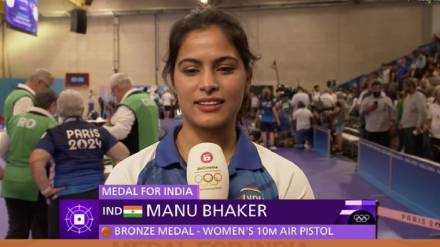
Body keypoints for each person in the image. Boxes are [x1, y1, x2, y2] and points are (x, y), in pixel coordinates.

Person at [106, 7, 314, 200]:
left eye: (224, 68)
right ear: (172, 81)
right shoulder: (128, 178)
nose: (208, 84)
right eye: (191, 70)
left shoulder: (287, 181)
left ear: (248, 78)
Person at [29, 89, 130, 238]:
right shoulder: (98, 131)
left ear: (59, 110)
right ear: (82, 109)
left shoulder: (54, 133)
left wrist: (46, 190)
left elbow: (35, 160)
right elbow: (124, 154)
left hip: (65, 196)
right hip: (96, 195)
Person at [0, 89, 58, 239]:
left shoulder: (14, 121)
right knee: (42, 231)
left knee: (16, 230)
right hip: (37, 185)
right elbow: (55, 160)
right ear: (52, 105)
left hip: (11, 182)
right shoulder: (51, 125)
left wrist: (4, 173)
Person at [105, 73, 160, 154]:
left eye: (113, 92)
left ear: (117, 89)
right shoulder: (148, 99)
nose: (114, 96)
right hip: (152, 153)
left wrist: (99, 130)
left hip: (135, 158)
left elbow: (120, 132)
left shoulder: (129, 104)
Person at [360, 81, 396, 147]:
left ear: (381, 89)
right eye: (374, 89)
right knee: (372, 150)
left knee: (384, 150)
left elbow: (392, 113)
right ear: (371, 89)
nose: (376, 90)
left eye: (378, 89)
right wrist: (370, 109)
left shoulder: (387, 99)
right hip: (371, 129)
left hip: (384, 130)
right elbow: (362, 114)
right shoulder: (366, 100)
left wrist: (393, 125)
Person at [400, 78, 427, 156]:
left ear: (410, 86)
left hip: (414, 127)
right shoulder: (407, 97)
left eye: (405, 86)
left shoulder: (419, 96)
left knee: (415, 151)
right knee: (408, 150)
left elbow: (422, 112)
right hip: (406, 127)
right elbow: (405, 112)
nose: (404, 88)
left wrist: (418, 125)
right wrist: (401, 123)